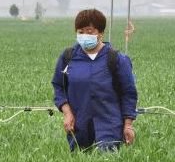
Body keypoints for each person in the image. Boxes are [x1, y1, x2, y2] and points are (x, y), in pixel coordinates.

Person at [51, 8, 138, 151]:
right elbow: (58, 86)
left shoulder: (116, 60)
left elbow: (129, 94)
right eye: (80, 32)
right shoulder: (68, 58)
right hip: (79, 129)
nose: (84, 35)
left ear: (100, 33)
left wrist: (128, 125)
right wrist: (67, 113)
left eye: (89, 32)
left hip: (110, 129)